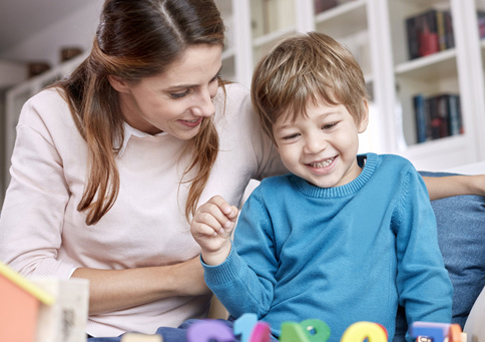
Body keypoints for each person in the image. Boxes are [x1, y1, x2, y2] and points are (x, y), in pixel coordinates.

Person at [0, 0, 482, 340]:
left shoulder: (236, 110)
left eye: (214, 78)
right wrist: (188, 275)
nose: (208, 106)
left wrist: (468, 182)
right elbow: (22, 276)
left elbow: (353, 181)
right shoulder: (52, 117)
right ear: (120, 79)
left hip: (206, 329)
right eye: (180, 92)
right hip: (77, 326)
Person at [190, 32, 455, 342]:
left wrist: (430, 335)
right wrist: (219, 254)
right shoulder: (267, 200)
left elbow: (424, 273)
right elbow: (252, 305)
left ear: (360, 115)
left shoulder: (397, 178)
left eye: (328, 125)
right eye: (291, 136)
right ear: (273, 140)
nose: (314, 146)